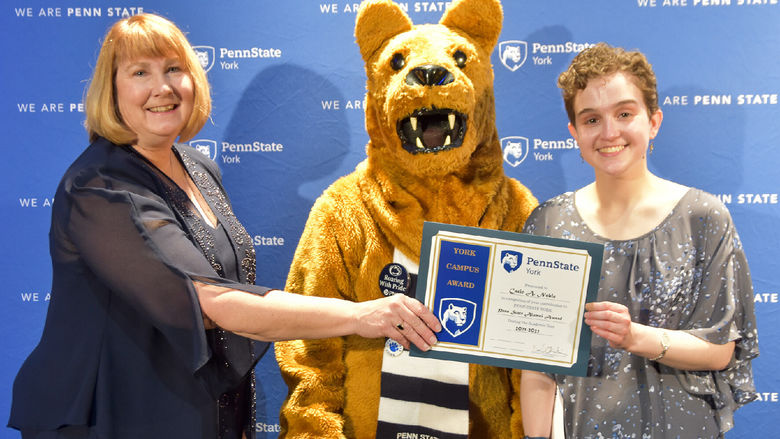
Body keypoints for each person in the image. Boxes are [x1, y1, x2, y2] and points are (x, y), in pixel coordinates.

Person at [7, 13, 441, 439]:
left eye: (174, 69)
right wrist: (362, 315)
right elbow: (213, 301)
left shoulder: (198, 167)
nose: (163, 87)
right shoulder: (100, 187)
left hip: (191, 401)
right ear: (112, 90)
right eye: (140, 72)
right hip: (110, 412)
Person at [520, 43, 759, 438]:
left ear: (653, 121)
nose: (609, 132)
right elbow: (537, 364)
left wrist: (636, 337)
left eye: (624, 113)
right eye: (591, 119)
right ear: (574, 133)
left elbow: (720, 350)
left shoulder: (704, 217)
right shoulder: (548, 223)